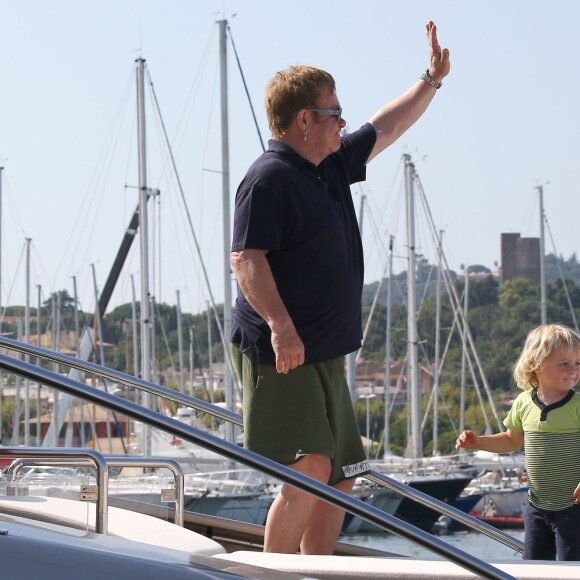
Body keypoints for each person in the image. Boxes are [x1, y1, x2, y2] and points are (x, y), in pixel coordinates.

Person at [230, 21, 450, 555]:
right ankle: (273, 573)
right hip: (281, 351)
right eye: (333, 114)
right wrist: (282, 328)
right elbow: (246, 257)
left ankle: (317, 569)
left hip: (324, 350)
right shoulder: (269, 178)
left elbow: (385, 127)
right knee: (312, 466)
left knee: (343, 474)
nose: (342, 123)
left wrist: (431, 80)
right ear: (303, 120)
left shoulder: (327, 165)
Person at [456, 324, 580, 561]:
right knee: (532, 568)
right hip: (536, 507)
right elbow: (511, 440)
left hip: (573, 508)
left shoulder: (577, 405)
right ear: (536, 365)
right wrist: (478, 441)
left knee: (571, 570)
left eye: (578, 363)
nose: (573, 370)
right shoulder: (523, 402)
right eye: (564, 363)